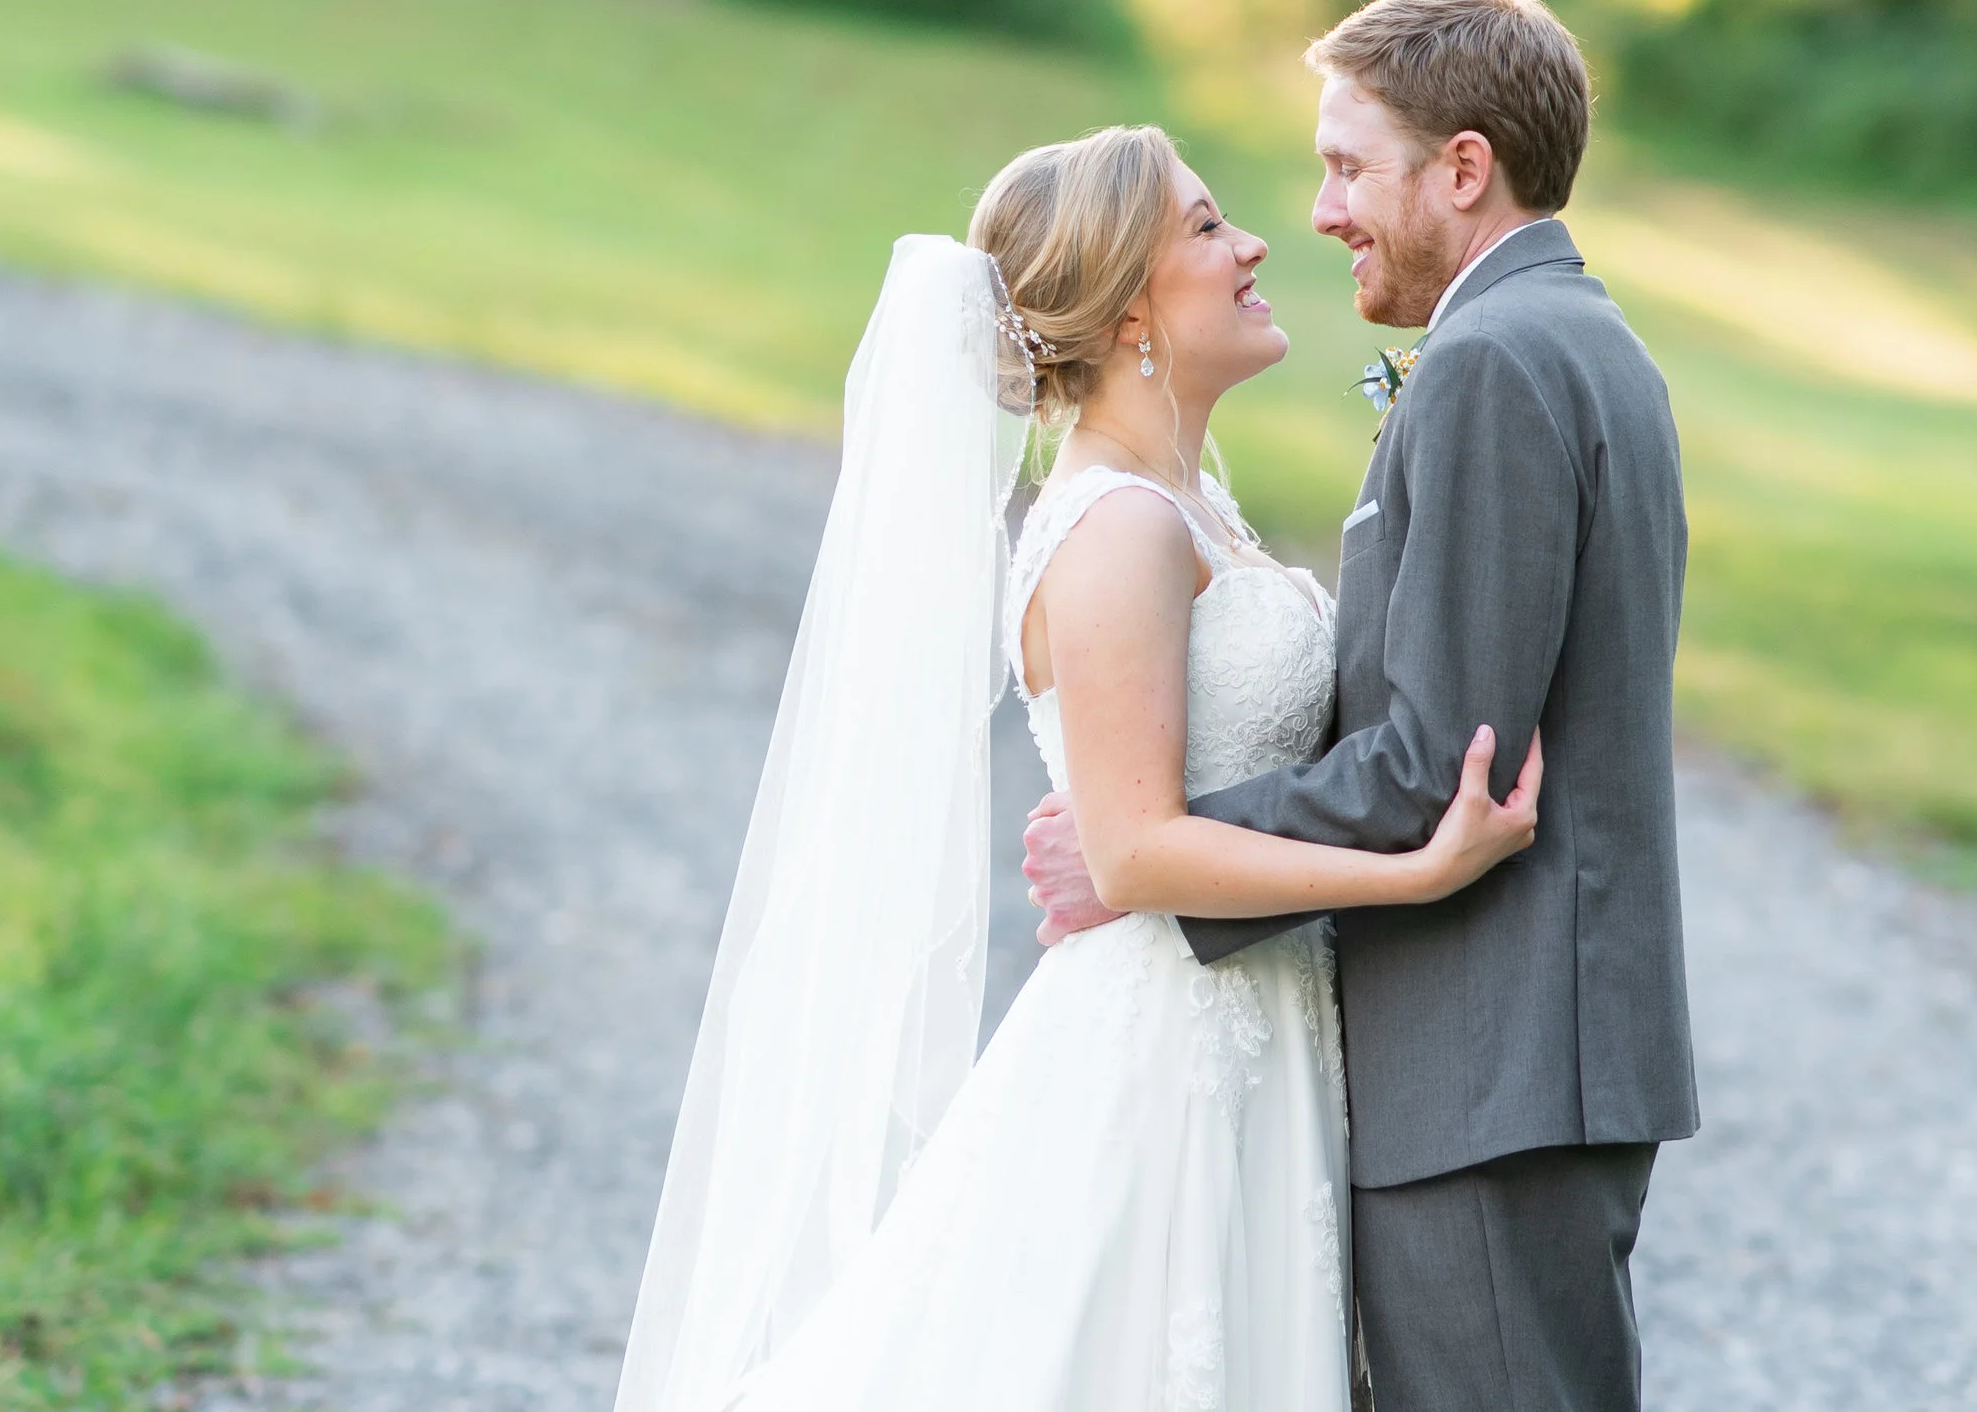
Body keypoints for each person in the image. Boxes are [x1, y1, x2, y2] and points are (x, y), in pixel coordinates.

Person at [615, 120, 1538, 1412]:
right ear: (1126, 314)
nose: (1258, 241)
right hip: (1164, 1054)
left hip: (1254, 1028)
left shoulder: (1192, 506)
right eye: (1208, 228)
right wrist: (1423, 873)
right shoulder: (1119, 529)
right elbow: (1133, 851)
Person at [1024, 0, 1697, 1412]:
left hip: (1488, 1066)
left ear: (1463, 169)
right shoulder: (1578, 338)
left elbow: (1430, 768)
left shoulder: (1492, 365)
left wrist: (1145, 855)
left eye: (1347, 168)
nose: (1320, 213)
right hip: (1513, 1063)